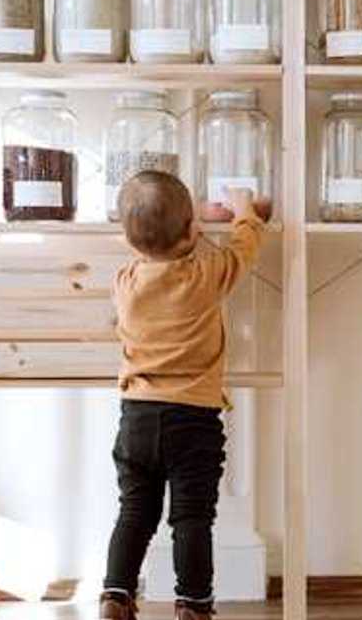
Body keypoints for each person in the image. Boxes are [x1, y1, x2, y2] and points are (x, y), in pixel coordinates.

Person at [100, 171, 263, 620]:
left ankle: (115, 595)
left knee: (135, 511)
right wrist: (243, 209)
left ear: (130, 242)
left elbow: (145, 248)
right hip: (192, 419)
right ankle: (193, 604)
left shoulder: (125, 282)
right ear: (193, 231)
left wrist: (162, 236)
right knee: (191, 519)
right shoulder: (205, 274)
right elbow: (245, 246)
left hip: (136, 418)